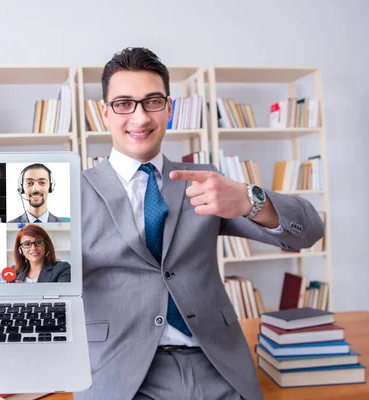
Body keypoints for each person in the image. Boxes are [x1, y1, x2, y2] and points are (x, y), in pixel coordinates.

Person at [77, 47, 325, 400]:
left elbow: (309, 232)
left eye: (152, 102)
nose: (140, 117)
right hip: (122, 372)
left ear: (169, 108)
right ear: (105, 112)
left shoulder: (207, 181)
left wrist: (248, 200)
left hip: (217, 363)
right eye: (123, 104)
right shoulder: (74, 191)